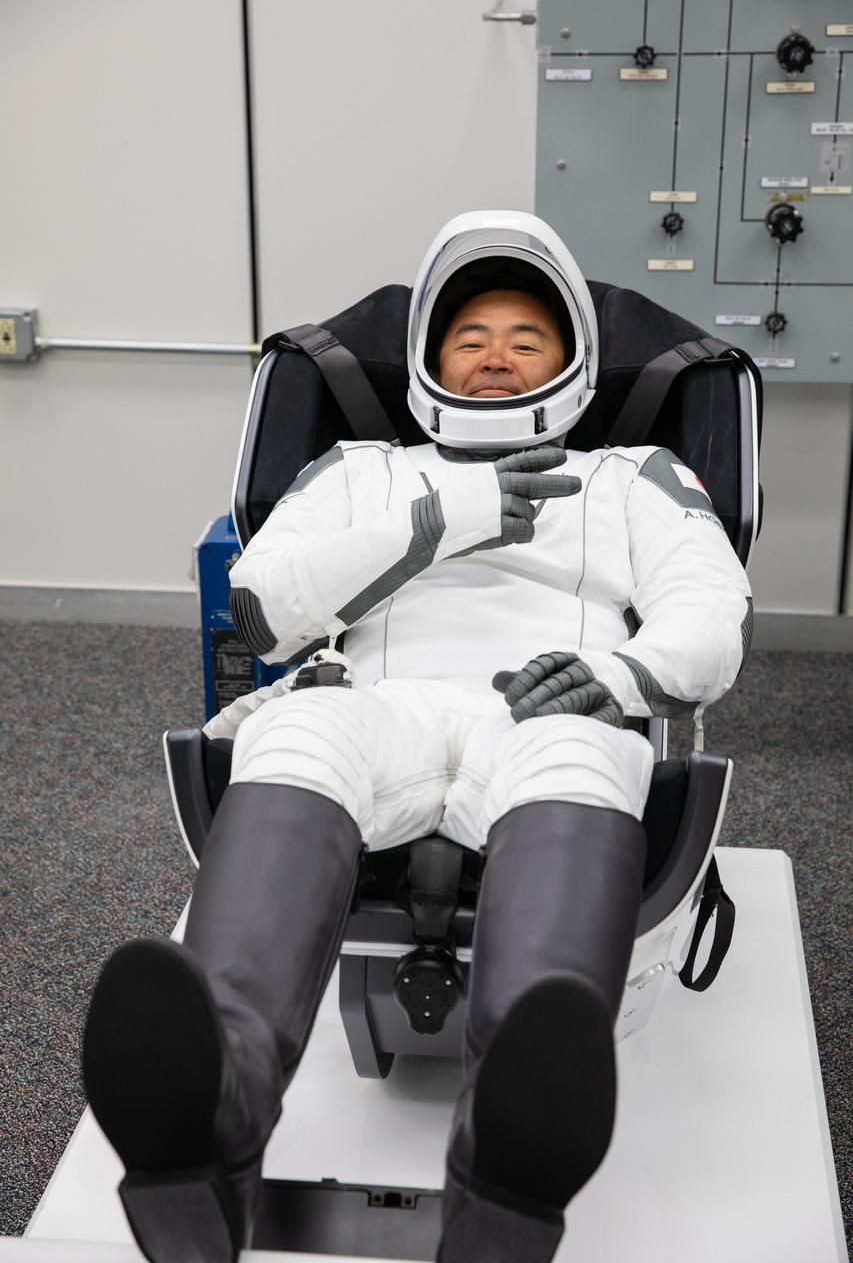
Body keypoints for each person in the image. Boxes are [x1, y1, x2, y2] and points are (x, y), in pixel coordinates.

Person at [82, 211, 753, 1263]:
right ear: (428, 362)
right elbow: (264, 607)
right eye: (467, 337)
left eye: (525, 339)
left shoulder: (632, 476)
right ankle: (213, 1118)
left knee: (582, 756)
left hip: (548, 708)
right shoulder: (357, 467)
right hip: (375, 705)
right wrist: (446, 512)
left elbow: (710, 615)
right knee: (297, 728)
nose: (494, 357)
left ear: (572, 363)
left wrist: (618, 675)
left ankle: (507, 1158)